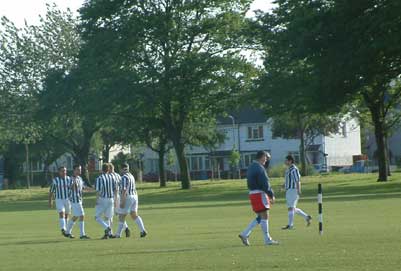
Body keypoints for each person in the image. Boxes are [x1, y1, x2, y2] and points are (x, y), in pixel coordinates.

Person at [238, 151, 279, 246]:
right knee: (265, 216)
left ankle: (245, 234)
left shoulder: (252, 166)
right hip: (259, 194)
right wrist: (271, 194)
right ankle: (267, 239)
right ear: (261, 157)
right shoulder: (260, 168)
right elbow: (265, 183)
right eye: (266, 158)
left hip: (253, 194)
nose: (266, 160)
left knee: (260, 217)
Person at [114, 163, 147, 238]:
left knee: (121, 215)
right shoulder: (131, 176)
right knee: (134, 214)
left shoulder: (124, 177)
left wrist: (122, 201)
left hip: (128, 196)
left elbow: (124, 190)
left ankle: (118, 234)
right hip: (135, 196)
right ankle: (143, 230)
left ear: (121, 169)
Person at [282, 155, 312, 229]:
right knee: (292, 208)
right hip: (289, 190)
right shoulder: (288, 169)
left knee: (291, 208)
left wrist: (298, 190)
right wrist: (283, 185)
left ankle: (290, 225)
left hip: (293, 190)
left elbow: (297, 181)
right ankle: (307, 217)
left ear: (290, 161)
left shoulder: (294, 169)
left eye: (286, 160)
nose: (285, 161)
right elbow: (288, 180)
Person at [65, 165, 90, 239]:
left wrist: (93, 189)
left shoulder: (80, 178)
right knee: (82, 215)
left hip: (79, 199)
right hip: (74, 200)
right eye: (78, 170)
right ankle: (82, 234)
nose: (79, 171)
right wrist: (73, 183)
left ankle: (67, 232)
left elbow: (83, 188)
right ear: (74, 170)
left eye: (80, 169)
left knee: (76, 216)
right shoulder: (70, 179)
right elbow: (71, 188)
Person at [95, 163, 117, 239]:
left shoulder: (100, 178)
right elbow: (115, 189)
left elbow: (98, 190)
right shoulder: (112, 177)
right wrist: (115, 199)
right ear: (108, 169)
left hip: (103, 199)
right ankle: (109, 234)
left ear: (102, 169)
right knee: (108, 217)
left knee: (97, 217)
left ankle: (107, 227)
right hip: (111, 199)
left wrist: (97, 200)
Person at [48, 166, 72, 238]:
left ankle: (66, 231)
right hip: (59, 199)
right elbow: (51, 191)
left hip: (67, 199)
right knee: (62, 213)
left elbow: (72, 189)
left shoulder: (69, 179)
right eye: (62, 171)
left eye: (65, 171)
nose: (64, 172)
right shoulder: (55, 180)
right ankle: (63, 229)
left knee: (67, 215)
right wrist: (50, 201)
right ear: (59, 172)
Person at [108, 163, 130, 237]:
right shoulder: (118, 175)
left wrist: (114, 199)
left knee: (110, 215)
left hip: (113, 196)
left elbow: (114, 188)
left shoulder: (110, 176)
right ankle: (126, 228)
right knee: (120, 214)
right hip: (118, 196)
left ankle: (110, 232)